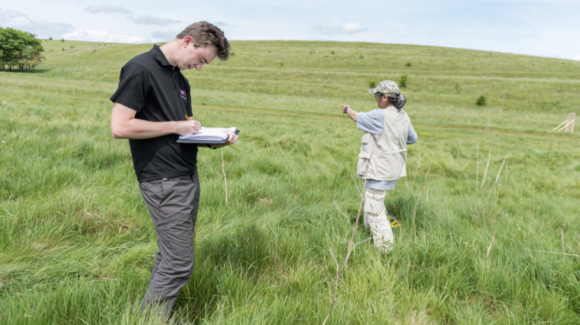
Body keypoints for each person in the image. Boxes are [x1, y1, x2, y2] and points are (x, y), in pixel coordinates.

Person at [109, 21, 237, 319]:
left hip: (186, 176)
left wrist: (215, 139)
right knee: (179, 263)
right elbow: (120, 126)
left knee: (170, 256)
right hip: (163, 181)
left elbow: (178, 131)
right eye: (201, 60)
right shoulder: (140, 68)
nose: (200, 68)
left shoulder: (180, 80)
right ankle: (150, 319)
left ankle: (149, 316)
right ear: (187, 41)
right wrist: (177, 125)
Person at [341, 80, 417, 253]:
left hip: (379, 171)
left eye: (377, 95)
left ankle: (385, 252)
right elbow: (412, 138)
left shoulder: (380, 115)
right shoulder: (403, 115)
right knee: (372, 203)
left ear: (385, 97)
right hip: (392, 170)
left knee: (375, 211)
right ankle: (370, 237)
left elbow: (356, 117)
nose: (375, 98)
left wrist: (347, 109)